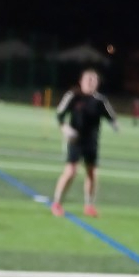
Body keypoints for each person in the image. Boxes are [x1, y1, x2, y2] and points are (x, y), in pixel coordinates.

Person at [50, 68, 119, 217]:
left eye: (94, 80)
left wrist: (115, 125)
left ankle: (89, 205)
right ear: (81, 81)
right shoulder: (73, 96)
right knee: (71, 171)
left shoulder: (100, 100)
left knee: (92, 173)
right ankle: (57, 203)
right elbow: (59, 114)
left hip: (91, 142)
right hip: (75, 140)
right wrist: (64, 128)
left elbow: (111, 116)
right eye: (88, 79)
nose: (91, 83)